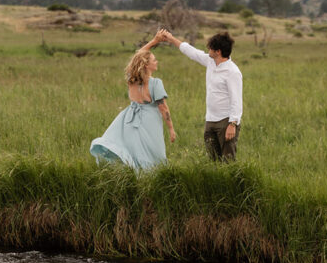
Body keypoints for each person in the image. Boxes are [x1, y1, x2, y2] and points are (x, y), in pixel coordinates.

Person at [90, 36, 175, 170]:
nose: (157, 62)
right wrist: (171, 129)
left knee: (135, 151)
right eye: (154, 60)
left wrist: (154, 41)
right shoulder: (155, 83)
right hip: (149, 121)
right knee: (154, 153)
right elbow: (163, 108)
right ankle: (152, 179)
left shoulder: (132, 79)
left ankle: (136, 176)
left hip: (129, 120)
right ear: (147, 65)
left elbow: (137, 57)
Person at [157, 28, 242, 161]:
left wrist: (233, 124)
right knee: (213, 160)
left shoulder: (233, 72)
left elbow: (236, 99)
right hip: (210, 120)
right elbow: (192, 52)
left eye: (210, 49)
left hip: (225, 121)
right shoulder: (211, 62)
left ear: (218, 51)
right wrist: (171, 39)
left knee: (228, 161)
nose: (208, 51)